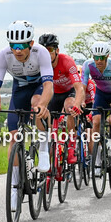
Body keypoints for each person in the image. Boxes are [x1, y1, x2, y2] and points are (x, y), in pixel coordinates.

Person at [0, 20, 55, 209]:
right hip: (19, 90)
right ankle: (15, 186)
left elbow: (49, 85)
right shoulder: (3, 56)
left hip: (39, 87)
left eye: (21, 46)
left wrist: (43, 104)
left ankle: (43, 148)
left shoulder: (41, 52)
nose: (17, 50)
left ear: (30, 44)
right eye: (13, 46)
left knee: (36, 105)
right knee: (13, 138)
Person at [38, 33, 85, 163]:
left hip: (68, 92)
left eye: (50, 50)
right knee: (45, 118)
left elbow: (79, 87)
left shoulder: (67, 62)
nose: (46, 54)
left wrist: (77, 104)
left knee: (70, 107)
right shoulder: (39, 64)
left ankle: (71, 146)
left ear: (57, 50)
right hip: (53, 94)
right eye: (43, 50)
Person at [81, 41, 111, 169]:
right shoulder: (88, 65)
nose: (99, 61)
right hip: (101, 94)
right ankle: (97, 157)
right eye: (96, 57)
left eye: (102, 57)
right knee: (95, 122)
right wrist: (80, 101)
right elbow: (82, 87)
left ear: (107, 56)